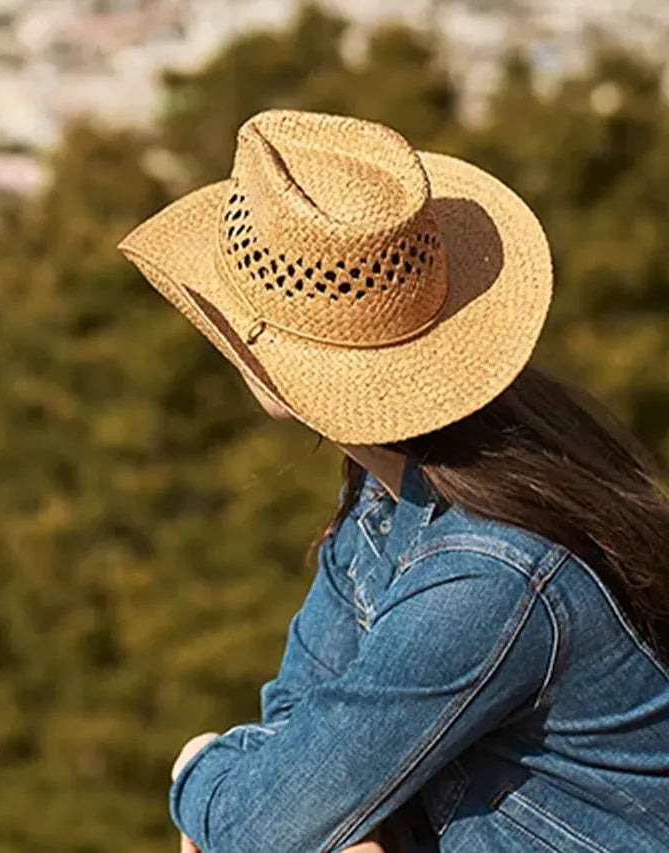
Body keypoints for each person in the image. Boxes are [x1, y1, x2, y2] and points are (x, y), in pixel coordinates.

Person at [118, 110, 669, 852]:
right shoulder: (407, 486)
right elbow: (298, 716)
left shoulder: (487, 574)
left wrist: (197, 765)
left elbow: (257, 823)